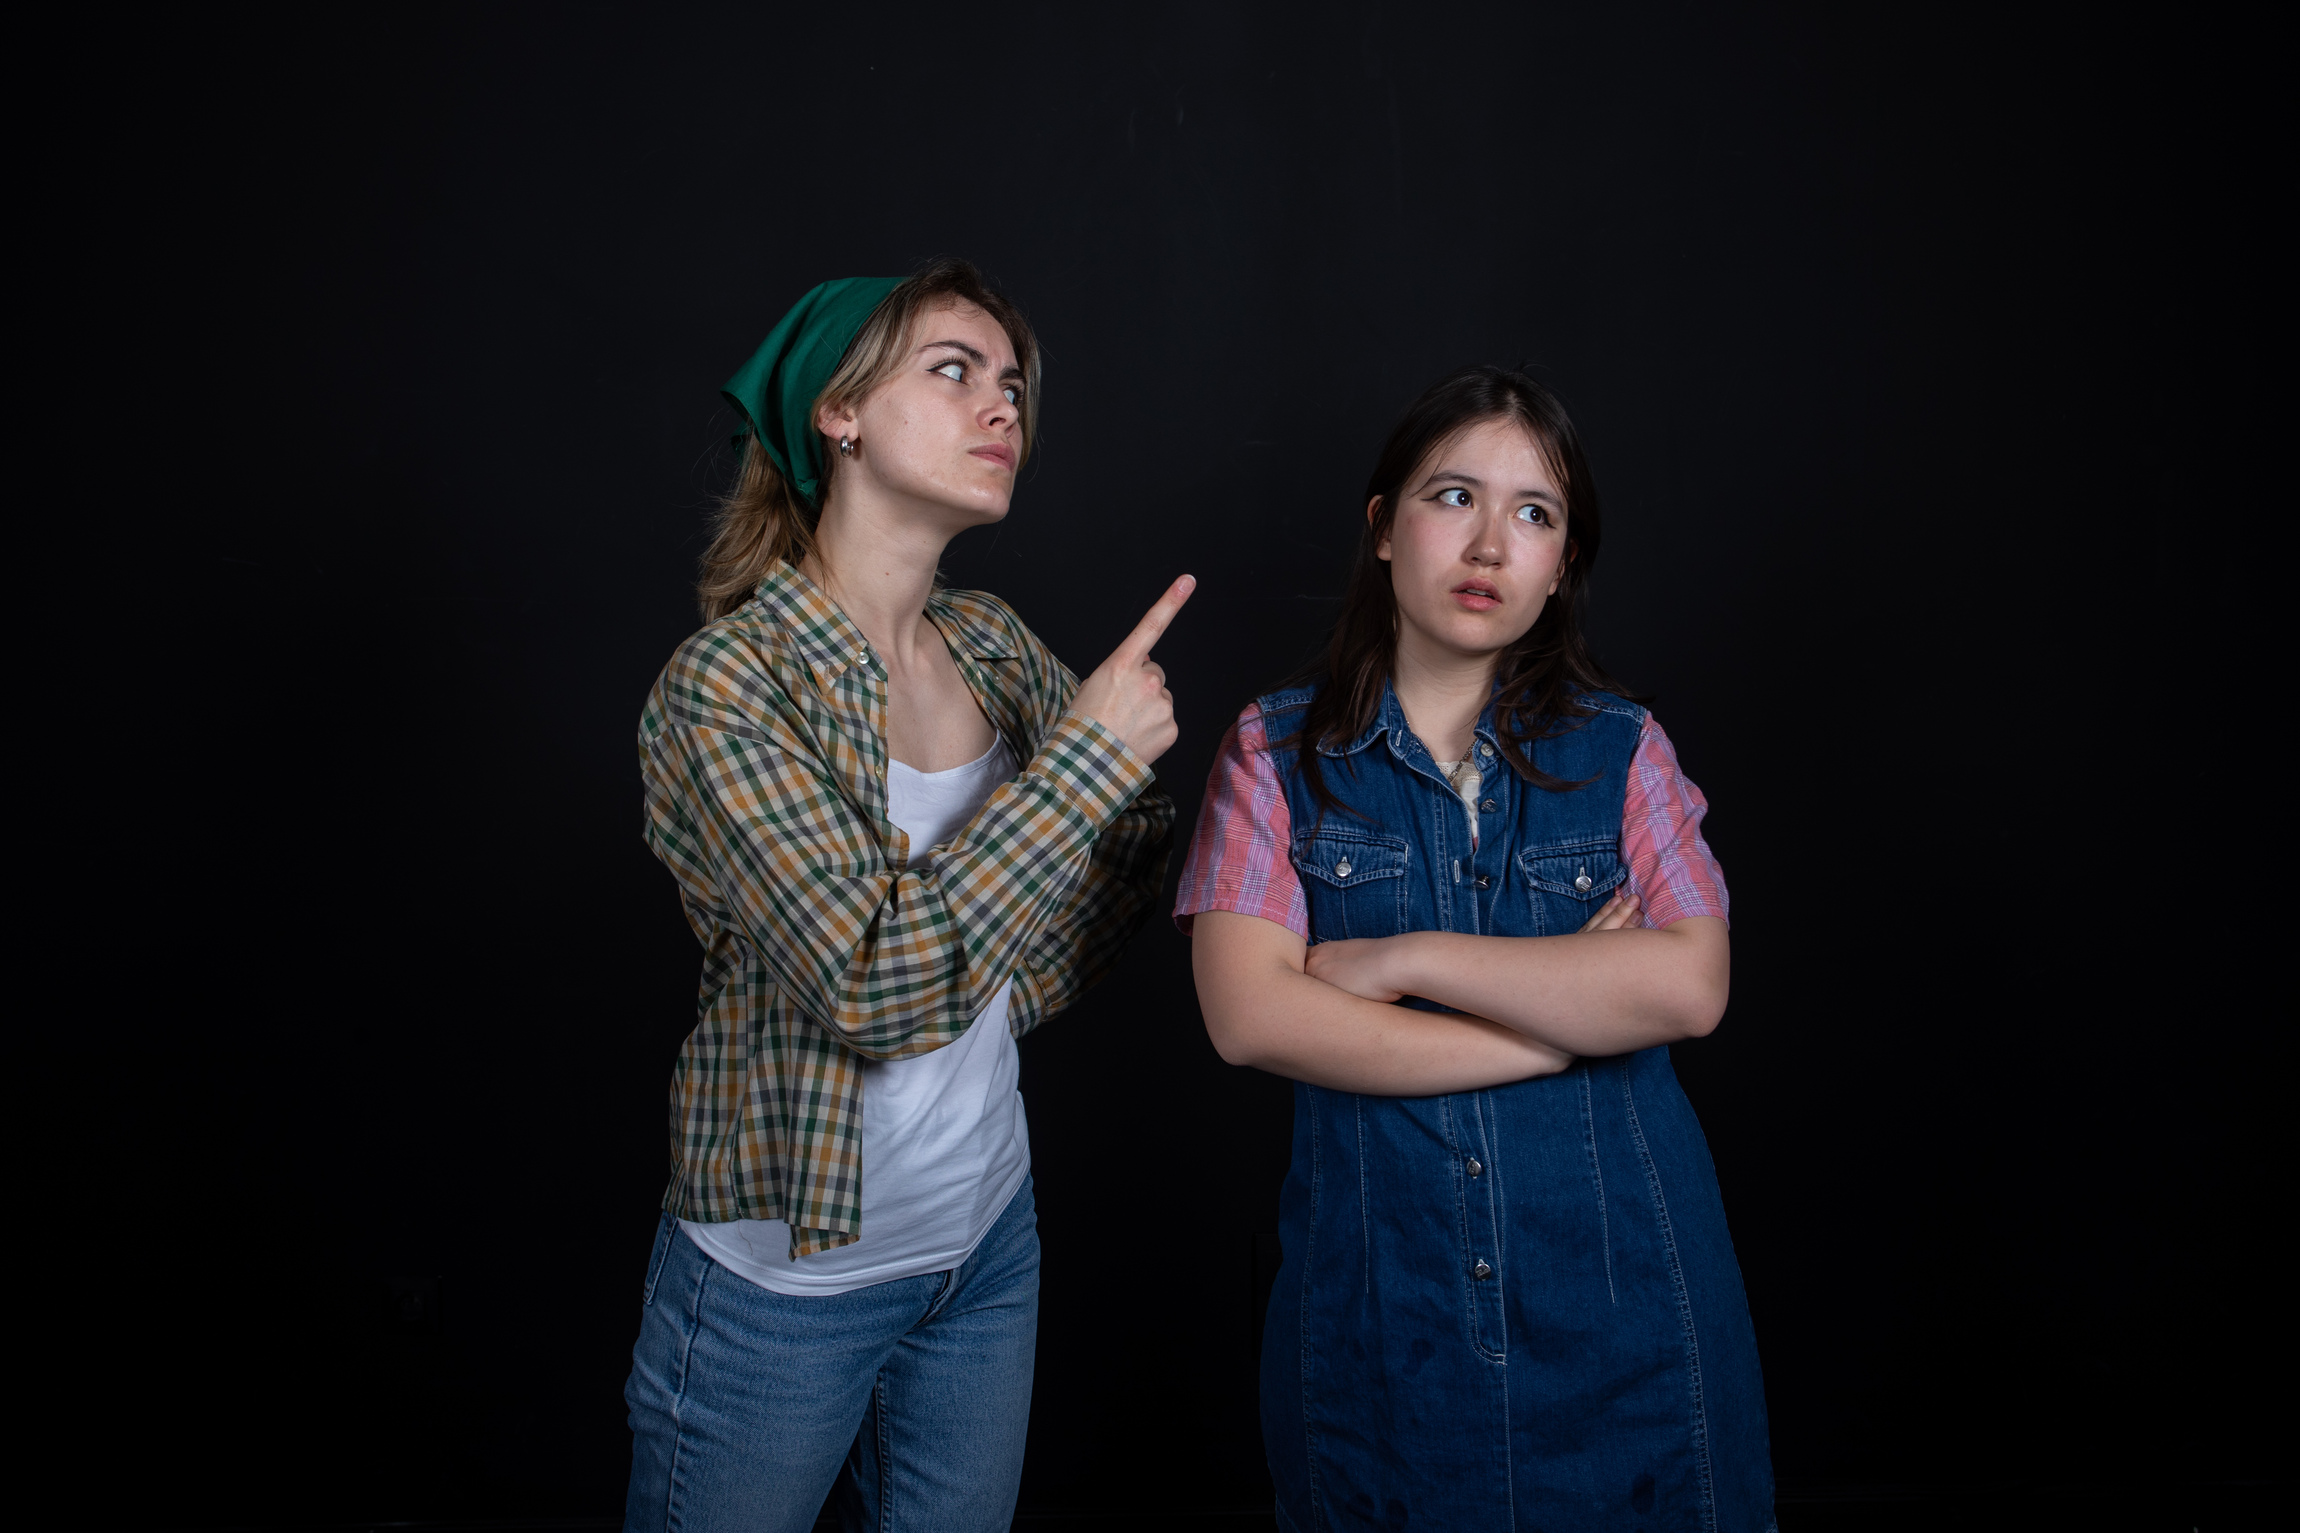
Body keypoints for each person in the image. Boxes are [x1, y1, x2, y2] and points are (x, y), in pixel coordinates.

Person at [623, 258, 1192, 1533]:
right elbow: (875, 987)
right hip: (783, 1291)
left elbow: (1129, 842)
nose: (1001, 407)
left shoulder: (986, 641)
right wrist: (1086, 760)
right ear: (838, 412)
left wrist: (997, 989)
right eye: (953, 372)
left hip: (985, 1248)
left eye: (1011, 386)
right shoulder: (727, 687)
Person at [1177, 365, 1774, 1531]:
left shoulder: (1625, 751)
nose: (1490, 543)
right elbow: (1250, 1018)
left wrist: (1403, 961)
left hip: (1629, 1321)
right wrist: (1554, 1036)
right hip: (1382, 1331)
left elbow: (1688, 984)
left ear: (1559, 567)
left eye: (1533, 515)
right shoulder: (1271, 753)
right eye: (1453, 497)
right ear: (1381, 528)